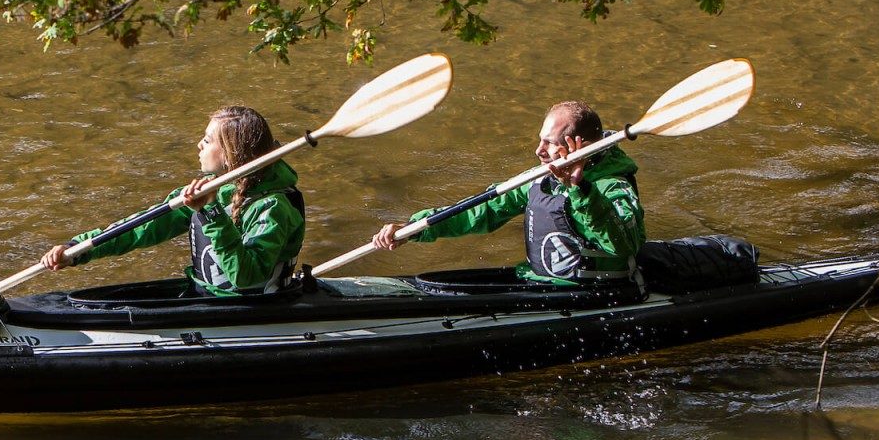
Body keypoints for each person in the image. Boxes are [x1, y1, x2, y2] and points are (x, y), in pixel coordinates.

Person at [371, 99, 645, 285]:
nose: (538, 150)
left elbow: (624, 244)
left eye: (549, 143)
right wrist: (414, 228)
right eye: (540, 140)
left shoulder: (613, 185)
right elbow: (482, 211)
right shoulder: (540, 179)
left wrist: (580, 189)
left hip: (597, 292)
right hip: (542, 282)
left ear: (578, 147)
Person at [42, 106, 306, 295]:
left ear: (230, 154)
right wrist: (78, 249)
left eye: (207, 140)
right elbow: (143, 227)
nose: (199, 145)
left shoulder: (273, 207)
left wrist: (211, 211)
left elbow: (246, 277)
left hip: (252, 309)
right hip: (207, 296)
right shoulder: (216, 188)